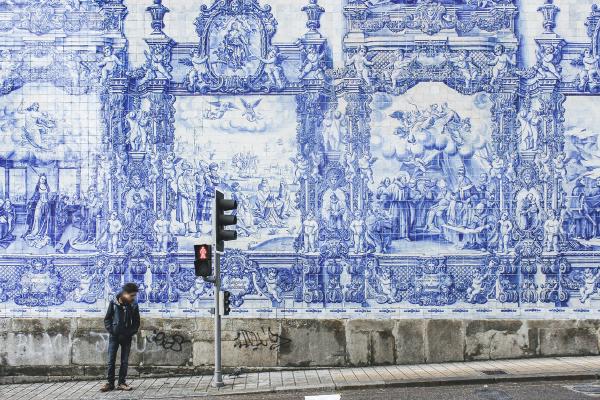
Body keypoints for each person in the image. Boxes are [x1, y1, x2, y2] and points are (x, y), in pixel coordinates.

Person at [100, 283, 140, 392]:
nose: (133, 298)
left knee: (124, 361)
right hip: (114, 336)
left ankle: (121, 383)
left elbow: (136, 322)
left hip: (126, 337)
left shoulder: (134, 304)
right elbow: (107, 319)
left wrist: (130, 332)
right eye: (131, 295)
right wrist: (112, 330)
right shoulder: (114, 302)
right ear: (125, 294)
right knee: (110, 360)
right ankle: (110, 383)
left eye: (134, 295)